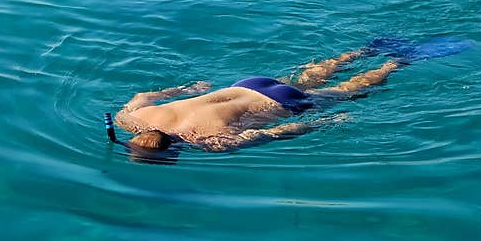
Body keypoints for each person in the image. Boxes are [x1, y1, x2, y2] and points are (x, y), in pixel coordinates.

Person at [108, 49, 401, 154]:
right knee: (310, 76)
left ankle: (395, 63)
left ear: (173, 154)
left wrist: (322, 123)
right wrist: (187, 88)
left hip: (282, 104)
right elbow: (143, 96)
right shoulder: (132, 118)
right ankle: (362, 51)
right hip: (246, 85)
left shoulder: (212, 142)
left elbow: (274, 132)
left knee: (346, 90)